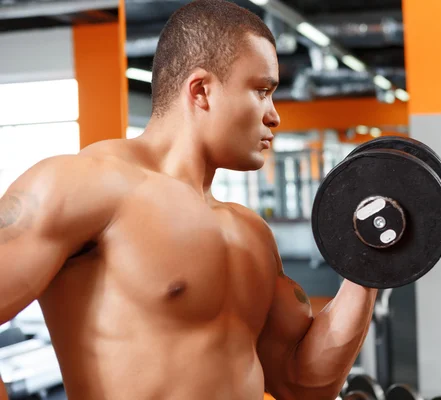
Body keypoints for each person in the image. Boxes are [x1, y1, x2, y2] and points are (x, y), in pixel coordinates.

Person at [0, 1, 377, 399]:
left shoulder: (252, 233)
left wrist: (370, 266)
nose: (274, 116)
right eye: (262, 91)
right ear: (201, 91)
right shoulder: (82, 185)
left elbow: (300, 385)